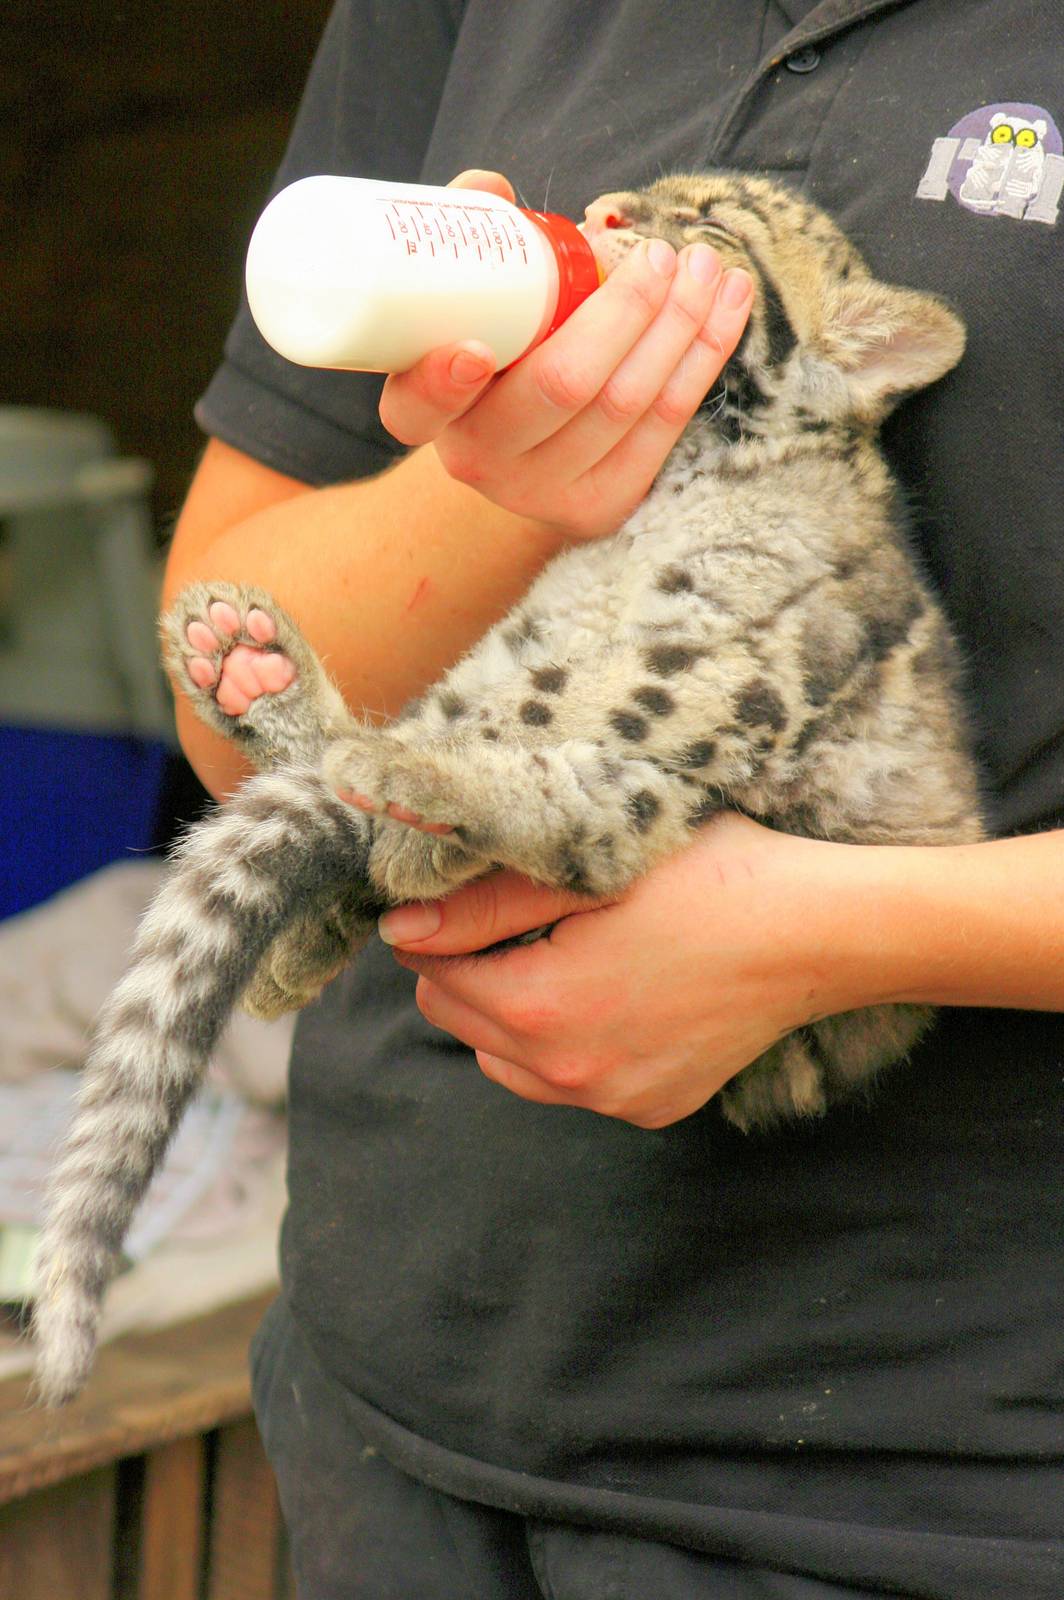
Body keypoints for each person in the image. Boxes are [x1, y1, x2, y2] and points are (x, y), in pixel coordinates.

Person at [163, 2, 1064, 1595]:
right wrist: (493, 480)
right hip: (395, 1385)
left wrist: (843, 935)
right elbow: (227, 705)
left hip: (935, 1473)